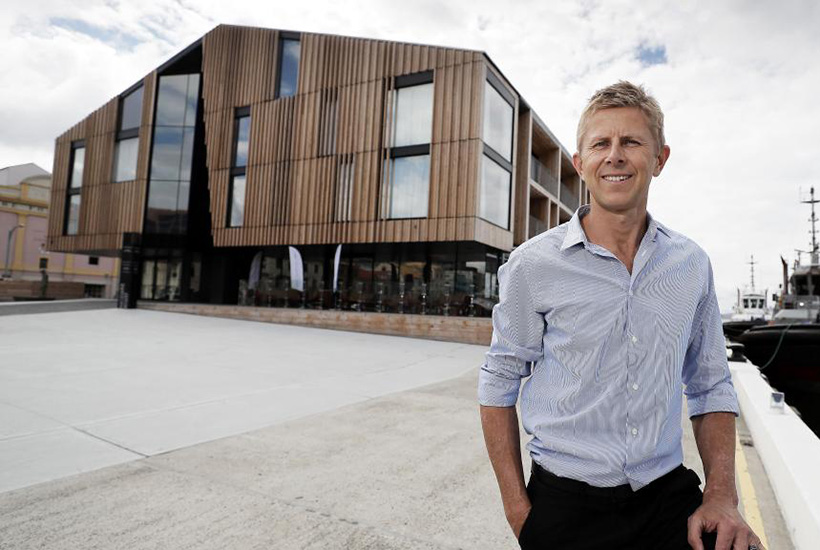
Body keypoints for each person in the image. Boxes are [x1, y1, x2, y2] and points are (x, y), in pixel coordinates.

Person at [478, 81, 764, 550]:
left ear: (659, 159)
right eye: (601, 144)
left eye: (631, 142)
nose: (615, 155)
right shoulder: (533, 265)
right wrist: (520, 512)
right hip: (566, 506)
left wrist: (722, 495)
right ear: (580, 163)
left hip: (666, 496)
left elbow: (711, 383)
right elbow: (498, 381)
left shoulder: (690, 264)